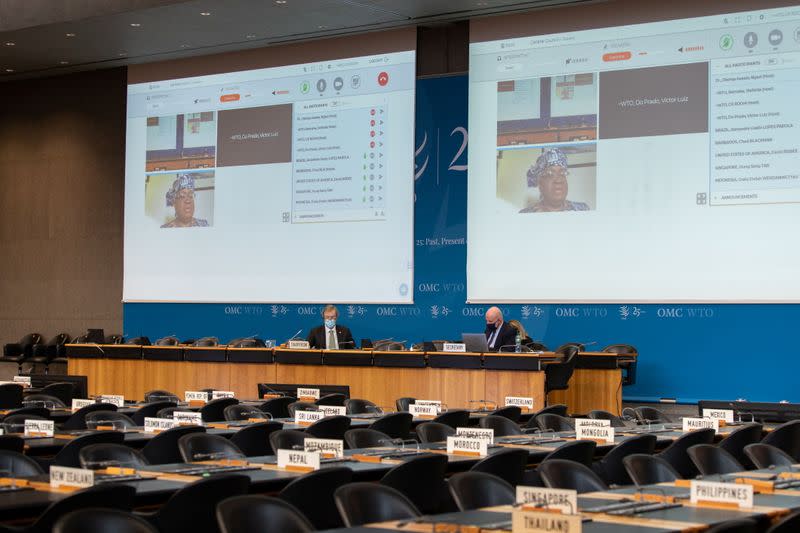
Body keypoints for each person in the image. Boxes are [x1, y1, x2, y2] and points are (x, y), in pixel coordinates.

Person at [520, 147, 590, 213]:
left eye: (562, 173)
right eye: (550, 174)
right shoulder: (526, 214)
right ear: (540, 182)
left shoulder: (582, 209)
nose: (558, 180)